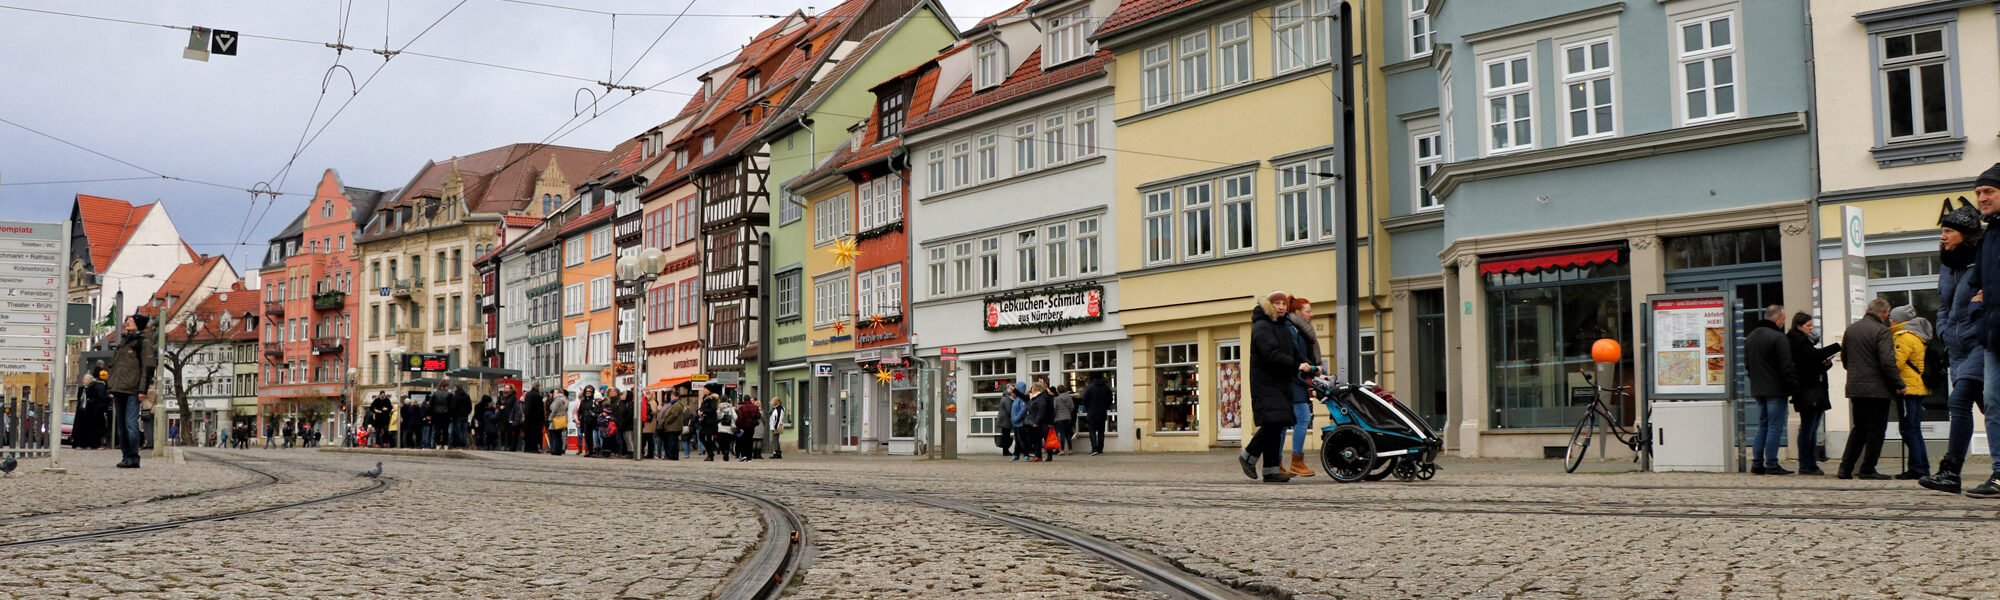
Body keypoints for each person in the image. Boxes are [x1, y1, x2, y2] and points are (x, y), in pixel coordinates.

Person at [1923, 201, 1992, 494]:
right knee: (1988, 408)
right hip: (1957, 348)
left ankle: (1950, 472)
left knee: (1958, 402)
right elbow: (1944, 305)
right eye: (1943, 231)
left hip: (1979, 344)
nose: (1944, 236)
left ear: (1966, 234)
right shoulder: (1947, 265)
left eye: (1949, 231)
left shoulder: (1983, 261)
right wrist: (1943, 330)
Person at [1241, 291, 1305, 483]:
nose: (1281, 307)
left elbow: (1294, 353)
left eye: (1284, 304)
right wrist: (1295, 365)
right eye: (1277, 303)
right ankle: (1248, 456)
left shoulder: (1282, 326)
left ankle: (1270, 470)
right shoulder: (1261, 326)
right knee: (1273, 422)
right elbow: (1270, 353)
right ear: (1269, 305)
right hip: (1265, 382)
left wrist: (1309, 366)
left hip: (1280, 381)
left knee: (1278, 423)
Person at [1839, 298, 1903, 480]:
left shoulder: (1851, 329)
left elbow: (1845, 359)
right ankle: (1868, 468)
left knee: (1859, 428)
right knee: (1876, 429)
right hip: (1878, 389)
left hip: (1856, 387)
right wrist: (1899, 384)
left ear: (1869, 309)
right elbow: (1887, 362)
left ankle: (1845, 468)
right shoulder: (1882, 331)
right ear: (1884, 314)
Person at [1745, 305, 1796, 475]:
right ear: (1777, 319)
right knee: (1775, 426)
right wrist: (1792, 388)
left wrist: (1756, 381)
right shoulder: (1778, 338)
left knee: (1763, 425)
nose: (1784, 322)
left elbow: (1747, 365)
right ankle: (1772, 464)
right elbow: (1786, 366)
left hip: (1758, 388)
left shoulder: (1751, 337)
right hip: (1776, 389)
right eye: (1783, 319)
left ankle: (1757, 463)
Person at [1787, 312, 1839, 476]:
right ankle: (1806, 463)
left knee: (1812, 428)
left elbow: (1813, 364)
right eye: (1808, 326)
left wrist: (1825, 365)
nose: (1811, 328)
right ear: (1799, 326)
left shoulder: (1805, 341)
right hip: (1807, 390)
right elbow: (1810, 359)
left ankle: (1810, 462)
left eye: (1812, 325)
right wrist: (1837, 346)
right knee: (1808, 428)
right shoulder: (1798, 342)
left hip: (1814, 388)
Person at [1888, 305, 1935, 479]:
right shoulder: (1918, 335)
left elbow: (1896, 363)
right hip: (1918, 387)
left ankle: (1917, 468)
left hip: (1908, 388)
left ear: (1898, 320)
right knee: (1915, 429)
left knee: (1909, 429)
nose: (1890, 321)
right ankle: (1922, 466)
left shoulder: (1903, 336)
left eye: (1892, 318)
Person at [106, 313, 157, 468]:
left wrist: (142, 390)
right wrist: (110, 385)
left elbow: (147, 367)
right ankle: (126, 455)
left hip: (133, 390)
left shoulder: (143, 343)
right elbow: (114, 365)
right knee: (121, 426)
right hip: (119, 388)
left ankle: (133, 457)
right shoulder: (123, 342)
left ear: (138, 325)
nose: (127, 322)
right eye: (127, 320)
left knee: (130, 424)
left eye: (131, 320)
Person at [1283, 296, 1324, 477]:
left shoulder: (1301, 330)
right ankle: (1296, 461)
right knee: (1302, 418)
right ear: (1298, 313)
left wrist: (1317, 370)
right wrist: (1313, 369)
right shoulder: (1295, 331)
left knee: (1288, 422)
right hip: (1293, 380)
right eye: (1308, 311)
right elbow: (1299, 356)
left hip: (1297, 380)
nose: (1311, 315)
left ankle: (1286, 462)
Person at [72, 367, 110, 449]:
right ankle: (79, 443)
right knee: (80, 428)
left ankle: (89, 444)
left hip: (89, 411)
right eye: (83, 380)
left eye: (85, 380)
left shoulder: (94, 388)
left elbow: (96, 399)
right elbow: (79, 399)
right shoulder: (81, 389)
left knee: (90, 428)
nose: (83, 381)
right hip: (81, 411)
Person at [1082, 375, 1111, 456]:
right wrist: (1106, 407)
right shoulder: (1106, 387)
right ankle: (1100, 449)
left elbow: (1084, 399)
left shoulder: (1090, 387)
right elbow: (1110, 399)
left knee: (1092, 432)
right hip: (1102, 412)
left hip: (1092, 413)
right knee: (1101, 432)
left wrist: (1088, 407)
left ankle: (1094, 449)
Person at [1010, 384, 1034, 462]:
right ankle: (1016, 454)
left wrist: (1016, 418)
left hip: (1020, 423)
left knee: (1023, 440)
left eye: (1016, 388)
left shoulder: (1022, 399)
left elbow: (1023, 410)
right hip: (1015, 423)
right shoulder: (1016, 399)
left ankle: (1026, 454)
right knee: (1017, 440)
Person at [699, 384, 722, 461]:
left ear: (708, 390)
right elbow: (701, 408)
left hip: (710, 421)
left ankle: (711, 454)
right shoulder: (704, 398)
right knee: (701, 436)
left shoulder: (713, 398)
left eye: (704, 389)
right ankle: (710, 452)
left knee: (708, 438)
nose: (703, 391)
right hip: (705, 421)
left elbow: (713, 409)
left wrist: (703, 411)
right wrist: (699, 411)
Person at [1051, 385, 1076, 456]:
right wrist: (1069, 412)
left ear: (1058, 391)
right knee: (1068, 434)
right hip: (1067, 417)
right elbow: (1072, 406)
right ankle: (1070, 449)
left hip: (1059, 418)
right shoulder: (1069, 397)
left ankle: (1062, 450)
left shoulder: (1056, 399)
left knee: (1062, 434)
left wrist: (1054, 416)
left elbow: (1054, 408)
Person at [736, 397, 762, 462]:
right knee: (750, 441)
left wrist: (738, 426)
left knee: (743, 441)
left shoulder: (741, 407)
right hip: (751, 427)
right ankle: (749, 457)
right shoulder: (755, 407)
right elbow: (758, 416)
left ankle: (743, 455)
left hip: (743, 427)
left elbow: (740, 418)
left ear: (744, 400)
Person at [994, 384, 1016, 458]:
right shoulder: (1007, 399)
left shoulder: (1005, 398)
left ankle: (1005, 451)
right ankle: (1006, 451)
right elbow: (1009, 410)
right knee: (1006, 436)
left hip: (1004, 420)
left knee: (1005, 435)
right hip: (1005, 420)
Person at [575, 387, 597, 457]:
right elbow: (580, 411)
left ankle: (594, 451)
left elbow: (596, 410)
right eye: (587, 391)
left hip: (593, 421)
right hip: (585, 422)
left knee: (593, 437)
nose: (588, 392)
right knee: (587, 437)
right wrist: (580, 418)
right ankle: (590, 451)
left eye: (590, 391)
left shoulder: (594, 400)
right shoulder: (583, 401)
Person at [523, 385, 545, 453]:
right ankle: (533, 448)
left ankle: (527, 448)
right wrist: (542, 419)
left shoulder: (528, 394)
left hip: (527, 417)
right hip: (535, 419)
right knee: (535, 434)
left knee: (527, 433)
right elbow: (540, 409)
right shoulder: (537, 396)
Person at [546, 389, 569, 456]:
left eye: (555, 392)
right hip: (560, 419)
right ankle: (559, 450)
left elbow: (554, 410)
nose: (554, 393)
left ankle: (555, 449)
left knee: (554, 434)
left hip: (555, 419)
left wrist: (550, 418)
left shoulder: (557, 400)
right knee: (558, 435)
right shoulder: (564, 400)